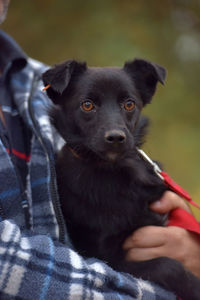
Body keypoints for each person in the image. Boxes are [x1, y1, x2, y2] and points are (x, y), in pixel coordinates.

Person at [0, 1, 199, 299]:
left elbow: (176, 222)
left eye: (128, 105)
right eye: (89, 105)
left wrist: (192, 240)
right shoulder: (55, 85)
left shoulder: (34, 83)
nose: (115, 128)